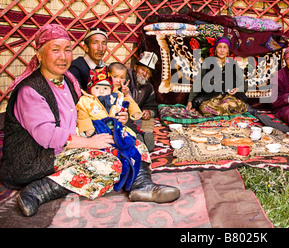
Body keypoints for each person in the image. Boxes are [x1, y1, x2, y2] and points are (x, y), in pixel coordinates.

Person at [0, 24, 180, 217]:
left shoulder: (68, 80)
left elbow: (84, 110)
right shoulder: (31, 90)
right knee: (110, 166)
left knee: (127, 137)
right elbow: (47, 135)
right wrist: (90, 143)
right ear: (39, 55)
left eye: (67, 49)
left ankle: (142, 184)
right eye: (55, 50)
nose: (63, 56)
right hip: (34, 159)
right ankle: (38, 190)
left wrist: (115, 119)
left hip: (68, 146)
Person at [186, 36, 248, 116]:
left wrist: (237, 89)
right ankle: (229, 112)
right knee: (204, 108)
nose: (222, 50)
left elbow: (244, 84)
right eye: (219, 47)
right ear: (215, 50)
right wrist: (190, 101)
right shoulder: (207, 62)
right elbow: (198, 83)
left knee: (231, 104)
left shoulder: (233, 64)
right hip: (211, 99)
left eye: (225, 47)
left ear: (228, 51)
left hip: (228, 98)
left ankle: (220, 112)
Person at [76, 66, 142, 137]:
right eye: (115, 76)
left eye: (122, 78)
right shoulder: (86, 100)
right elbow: (82, 114)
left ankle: (137, 138)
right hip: (96, 127)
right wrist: (87, 128)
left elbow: (129, 102)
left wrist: (135, 111)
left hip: (116, 126)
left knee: (130, 134)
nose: (118, 80)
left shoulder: (118, 95)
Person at [127, 52, 159, 120]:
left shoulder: (149, 88)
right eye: (142, 69)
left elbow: (152, 107)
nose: (144, 74)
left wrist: (149, 112)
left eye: (148, 72)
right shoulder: (126, 77)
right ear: (135, 67)